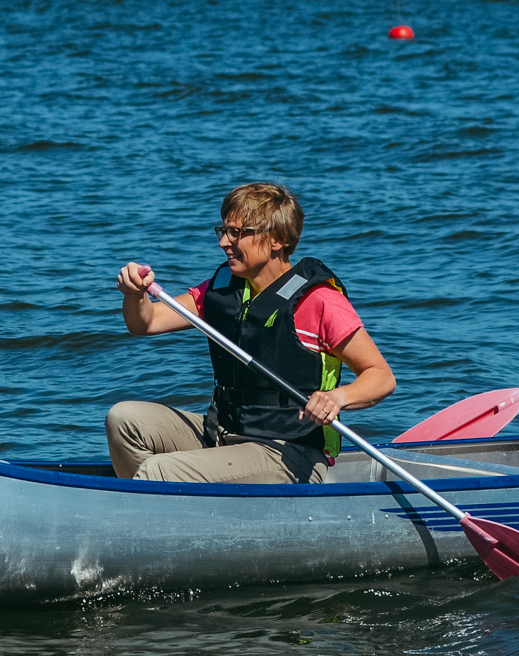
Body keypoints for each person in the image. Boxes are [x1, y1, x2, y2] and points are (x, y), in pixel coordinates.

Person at [106, 182, 396, 484]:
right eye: (224, 231)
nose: (224, 242)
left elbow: (381, 377)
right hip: (224, 433)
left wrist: (337, 398)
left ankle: (157, 509)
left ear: (277, 240)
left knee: (158, 471)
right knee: (123, 420)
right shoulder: (222, 290)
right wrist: (134, 293)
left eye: (238, 233)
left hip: (288, 452)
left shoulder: (318, 301)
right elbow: (146, 322)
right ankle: (174, 509)